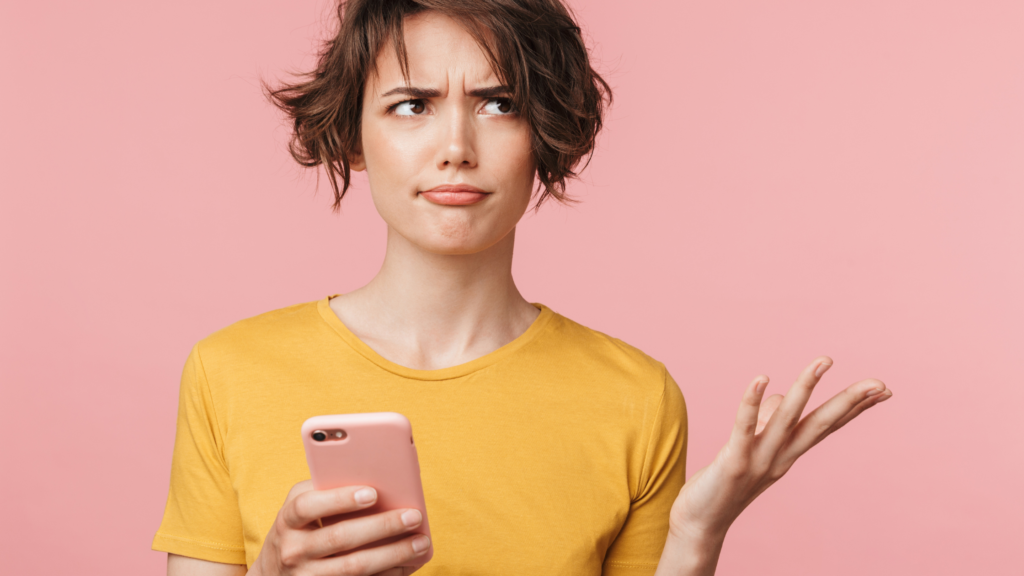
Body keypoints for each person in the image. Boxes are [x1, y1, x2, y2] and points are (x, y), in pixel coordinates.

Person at [152, 0, 893, 574]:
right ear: (353, 134)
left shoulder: (634, 397)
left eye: (498, 103)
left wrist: (695, 539)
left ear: (543, 135)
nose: (455, 148)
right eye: (412, 104)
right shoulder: (230, 372)